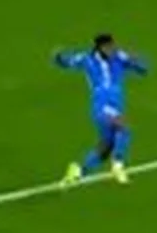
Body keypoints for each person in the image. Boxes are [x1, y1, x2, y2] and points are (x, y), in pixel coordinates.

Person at [55, 34, 148, 186]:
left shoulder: (119, 57)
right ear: (100, 47)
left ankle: (78, 171)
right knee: (123, 127)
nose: (112, 49)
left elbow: (143, 70)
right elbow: (67, 61)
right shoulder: (87, 59)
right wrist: (59, 57)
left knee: (106, 146)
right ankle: (118, 165)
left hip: (116, 104)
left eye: (113, 45)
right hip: (102, 104)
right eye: (109, 46)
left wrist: (136, 61)